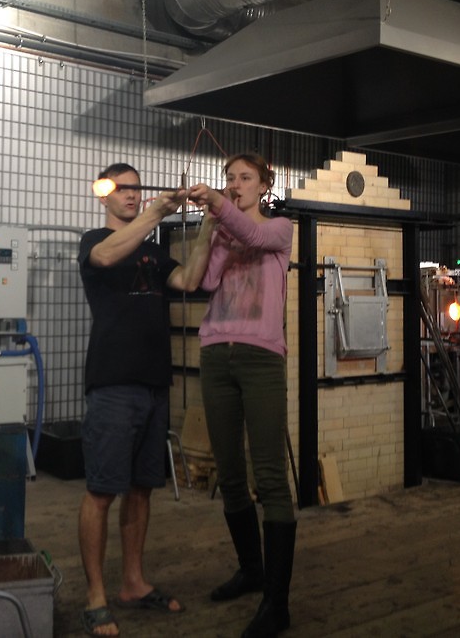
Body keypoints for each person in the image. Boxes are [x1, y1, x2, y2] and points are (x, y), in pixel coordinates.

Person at [77, 163, 213, 637]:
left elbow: (190, 281)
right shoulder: (95, 241)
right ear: (104, 196)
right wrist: (157, 213)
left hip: (155, 384)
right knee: (101, 491)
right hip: (113, 384)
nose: (132, 195)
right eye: (122, 189)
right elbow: (106, 257)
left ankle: (132, 582)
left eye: (137, 188)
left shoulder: (154, 253)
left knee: (141, 489)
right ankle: (95, 595)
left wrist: (211, 220)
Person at [189, 153, 296, 638]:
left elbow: (252, 234)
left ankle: (277, 603)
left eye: (245, 178)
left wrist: (218, 205)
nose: (235, 184)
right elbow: (207, 281)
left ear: (263, 186)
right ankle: (252, 570)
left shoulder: (279, 229)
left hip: (260, 358)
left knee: (270, 477)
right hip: (216, 354)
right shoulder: (225, 230)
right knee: (229, 474)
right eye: (229, 178)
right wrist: (211, 227)